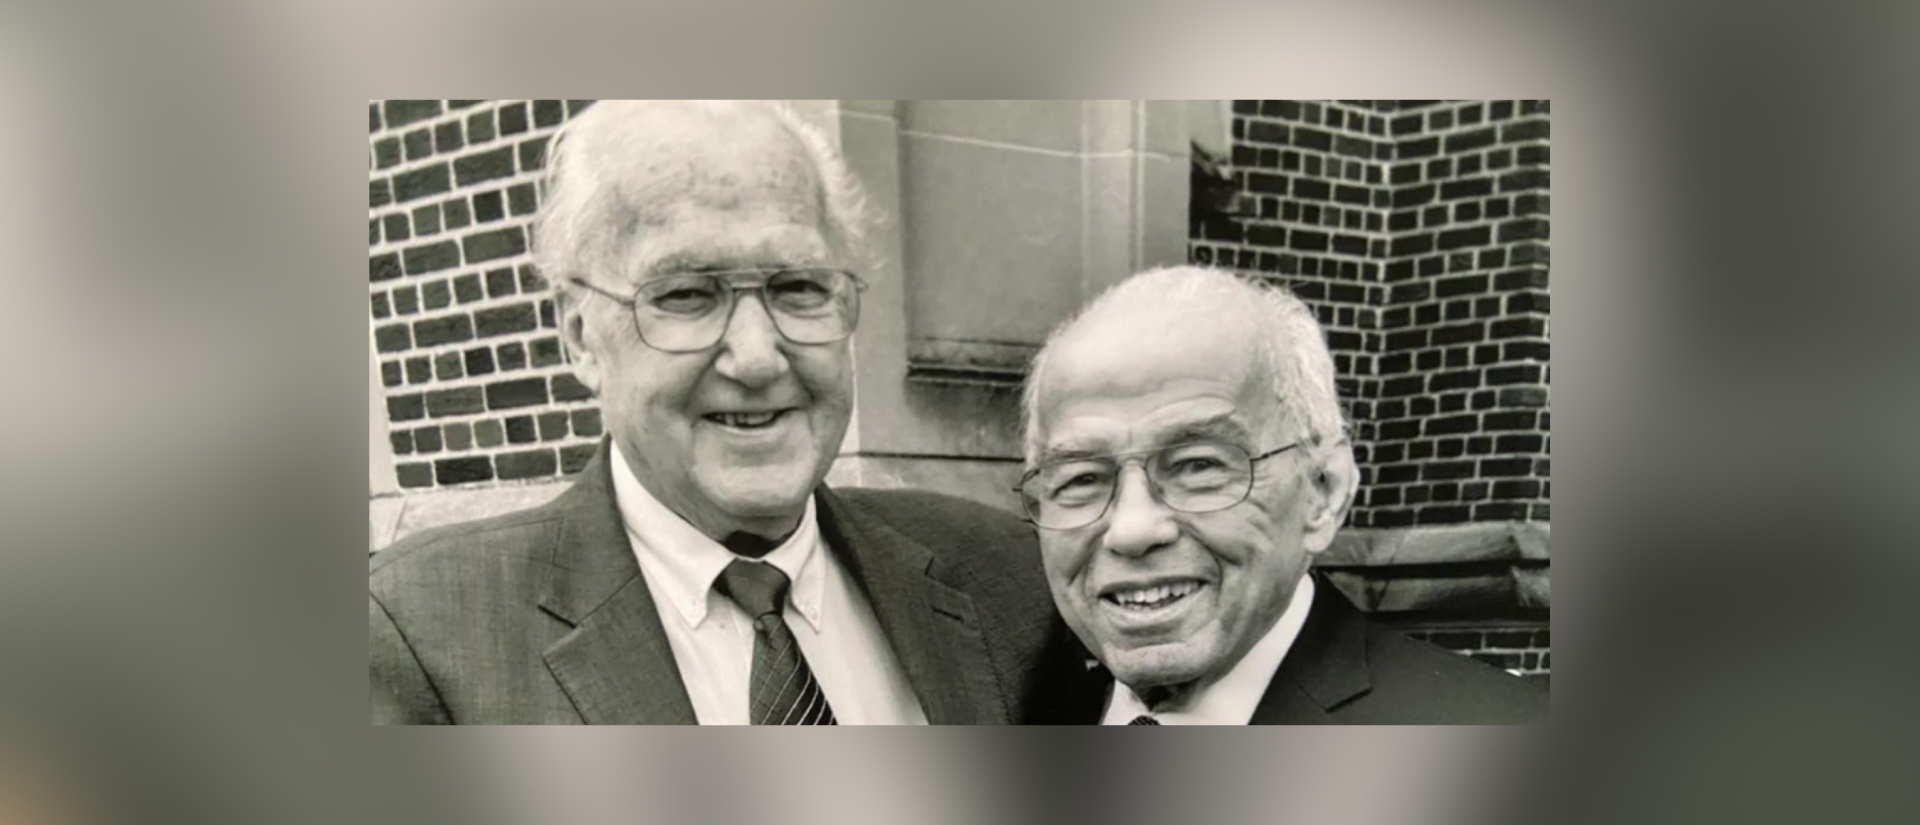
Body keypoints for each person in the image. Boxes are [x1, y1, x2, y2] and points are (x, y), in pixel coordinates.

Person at [370, 101, 1073, 724]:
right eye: (686, 294)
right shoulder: (419, 632)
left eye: (798, 286)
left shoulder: (1006, 574)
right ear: (581, 337)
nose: (758, 357)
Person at [1017, 266, 1547, 724]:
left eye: (1198, 466)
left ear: (1323, 491)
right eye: (1081, 480)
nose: (1132, 530)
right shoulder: (1016, 714)